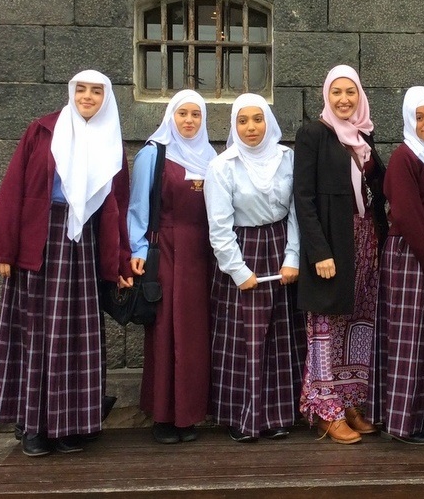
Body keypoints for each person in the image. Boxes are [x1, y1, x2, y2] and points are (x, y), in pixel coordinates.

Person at [0, 70, 132, 457]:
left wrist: (119, 261)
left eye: (96, 91)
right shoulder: (42, 131)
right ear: (71, 92)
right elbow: (13, 189)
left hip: (84, 244)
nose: (88, 97)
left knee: (78, 335)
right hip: (41, 241)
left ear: (106, 97)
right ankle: (35, 427)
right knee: (38, 334)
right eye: (81, 89)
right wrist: (4, 249)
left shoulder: (111, 144)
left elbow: (117, 207)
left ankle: (71, 425)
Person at [293, 64, 388, 444]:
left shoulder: (363, 136)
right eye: (337, 93)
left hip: (364, 242)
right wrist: (319, 252)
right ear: (326, 96)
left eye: (351, 92)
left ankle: (350, 401)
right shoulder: (313, 134)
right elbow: (303, 197)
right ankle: (325, 410)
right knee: (327, 330)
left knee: (358, 326)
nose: (344, 100)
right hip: (332, 245)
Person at [205, 93, 303, 442]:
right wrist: (238, 270)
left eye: (257, 119)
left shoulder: (288, 159)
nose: (251, 127)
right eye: (243, 120)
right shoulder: (222, 166)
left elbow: (296, 211)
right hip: (242, 251)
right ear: (234, 124)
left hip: (279, 248)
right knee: (244, 336)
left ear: (268, 121)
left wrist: (293, 257)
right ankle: (241, 417)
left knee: (279, 334)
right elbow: (218, 227)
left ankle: (277, 415)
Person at [128, 89, 216, 444]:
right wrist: (136, 247)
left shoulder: (211, 157)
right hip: (165, 249)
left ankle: (189, 415)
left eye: (196, 114)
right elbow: (137, 206)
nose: (190, 121)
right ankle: (164, 416)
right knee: (165, 331)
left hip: (202, 255)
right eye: (183, 114)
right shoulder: (154, 154)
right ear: (171, 117)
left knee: (195, 334)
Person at [371, 86, 424, 445]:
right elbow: (407, 214)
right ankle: (403, 423)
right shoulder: (406, 157)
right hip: (410, 256)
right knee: (407, 339)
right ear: (408, 120)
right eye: (420, 117)